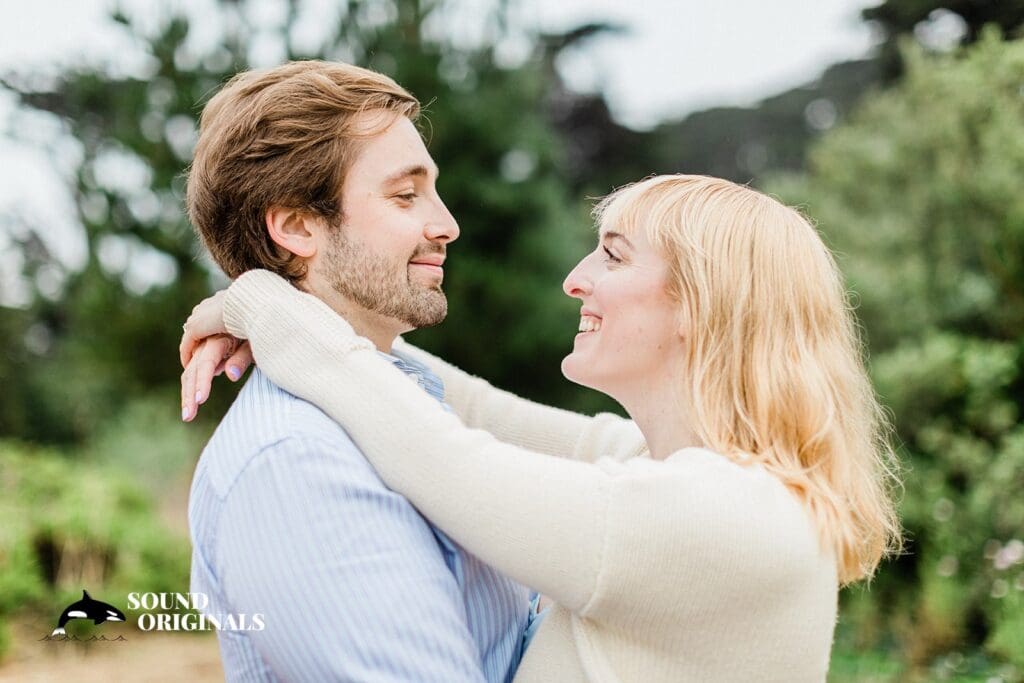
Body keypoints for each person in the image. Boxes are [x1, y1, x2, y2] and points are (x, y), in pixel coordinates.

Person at [181, 174, 903, 681]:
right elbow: (477, 410)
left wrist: (262, 307)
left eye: (614, 254)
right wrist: (318, 316)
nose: (575, 277)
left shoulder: (718, 517)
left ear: (701, 306)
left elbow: (446, 460)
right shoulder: (715, 481)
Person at [182, 60, 558, 682]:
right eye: (406, 195)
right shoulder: (298, 467)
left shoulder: (405, 401)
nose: (447, 225)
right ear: (298, 226)